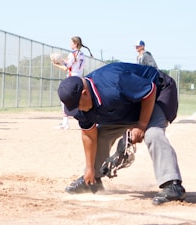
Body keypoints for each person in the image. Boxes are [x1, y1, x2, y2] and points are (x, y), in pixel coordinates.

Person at [57, 62, 186, 205]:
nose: (78, 110)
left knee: (152, 133)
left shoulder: (114, 83)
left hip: (157, 93)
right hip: (127, 104)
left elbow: (149, 90)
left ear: (85, 93)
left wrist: (142, 125)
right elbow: (89, 135)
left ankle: (173, 185)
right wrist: (89, 169)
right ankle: (93, 179)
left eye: (78, 105)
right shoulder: (82, 106)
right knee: (101, 135)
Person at [52, 36, 93, 130]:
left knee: (64, 99)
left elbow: (66, 68)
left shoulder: (73, 54)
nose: (70, 44)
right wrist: (62, 60)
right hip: (79, 79)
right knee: (79, 101)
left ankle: (65, 123)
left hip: (71, 79)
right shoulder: (82, 54)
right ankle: (88, 120)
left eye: (71, 42)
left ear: (75, 44)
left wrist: (56, 65)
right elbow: (72, 63)